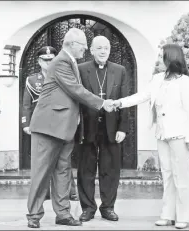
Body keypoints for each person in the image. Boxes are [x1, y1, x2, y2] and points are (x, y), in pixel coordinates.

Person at [25, 28, 115, 229]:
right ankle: (34, 215)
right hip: (48, 127)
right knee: (41, 173)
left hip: (65, 128)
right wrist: (102, 103)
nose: (85, 49)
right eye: (83, 45)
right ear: (73, 44)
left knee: (63, 172)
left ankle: (63, 213)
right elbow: (76, 90)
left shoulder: (70, 61)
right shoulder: (60, 62)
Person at [113, 44, 189, 229]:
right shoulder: (157, 79)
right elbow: (142, 96)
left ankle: (183, 216)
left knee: (181, 177)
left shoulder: (185, 82)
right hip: (162, 134)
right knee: (167, 176)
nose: (158, 60)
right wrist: (119, 102)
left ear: (171, 58)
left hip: (181, 136)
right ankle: (167, 215)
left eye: (161, 56)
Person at [76, 36, 129, 222]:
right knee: (85, 170)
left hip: (111, 128)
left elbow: (124, 101)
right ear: (91, 50)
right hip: (87, 128)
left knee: (110, 169)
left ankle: (108, 208)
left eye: (106, 48)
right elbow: (77, 99)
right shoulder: (81, 69)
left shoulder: (119, 70)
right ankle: (88, 208)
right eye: (99, 48)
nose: (103, 51)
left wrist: (123, 127)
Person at [21, 46, 78, 201]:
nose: (48, 62)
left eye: (51, 59)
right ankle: (43, 192)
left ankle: (71, 192)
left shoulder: (64, 76)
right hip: (41, 125)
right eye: (45, 60)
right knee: (41, 162)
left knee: (63, 162)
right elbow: (26, 104)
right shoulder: (32, 80)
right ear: (39, 61)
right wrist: (26, 123)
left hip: (61, 123)